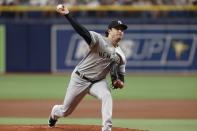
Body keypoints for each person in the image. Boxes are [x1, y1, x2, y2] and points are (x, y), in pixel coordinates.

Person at [48, 4, 127, 131]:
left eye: (122, 29)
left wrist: (119, 82)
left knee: (107, 95)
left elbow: (119, 73)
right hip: (80, 78)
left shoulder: (121, 54)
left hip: (98, 82)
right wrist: (68, 15)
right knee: (65, 111)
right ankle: (54, 112)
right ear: (109, 31)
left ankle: (107, 128)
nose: (120, 31)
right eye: (116, 28)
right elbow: (82, 31)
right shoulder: (99, 40)